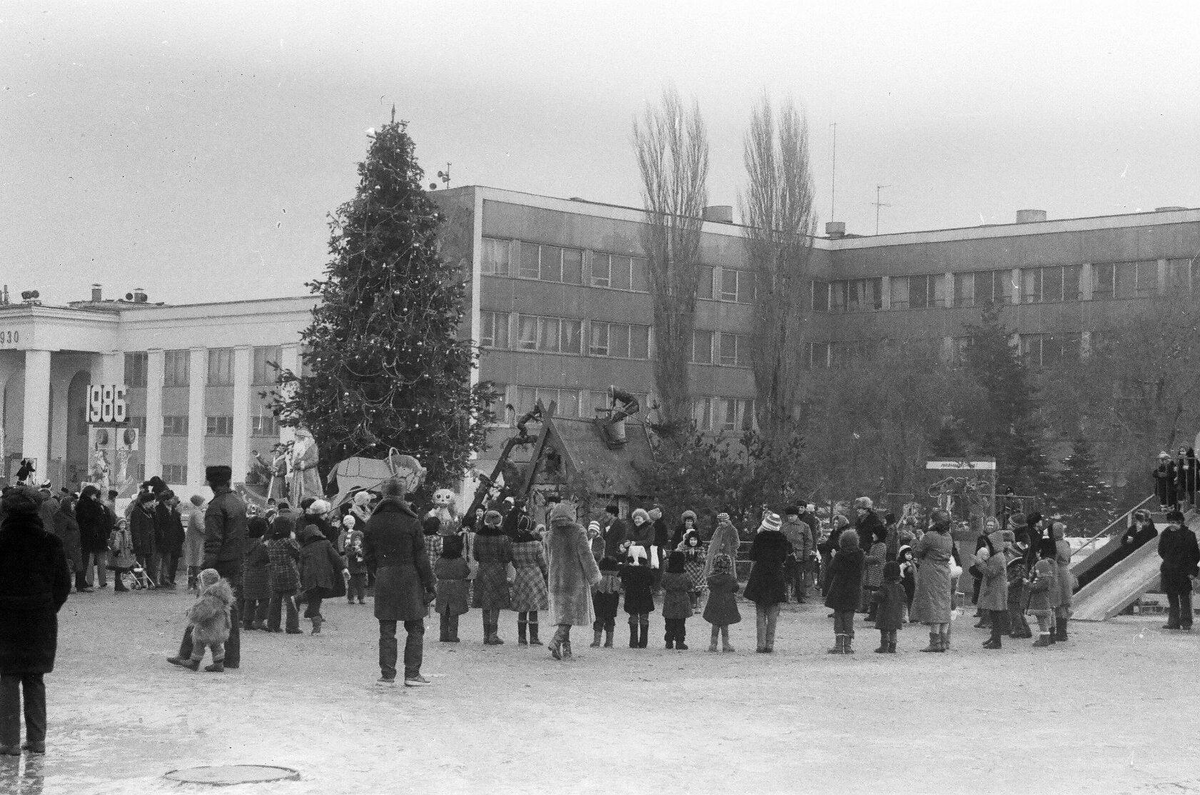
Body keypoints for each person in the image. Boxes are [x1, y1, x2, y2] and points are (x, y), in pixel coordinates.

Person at [0, 487, 71, 756]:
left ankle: (8, 743)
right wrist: (47, 608)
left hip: (4, 619)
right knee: (34, 678)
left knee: (7, 677)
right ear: (36, 509)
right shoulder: (51, 542)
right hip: (39, 619)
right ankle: (37, 740)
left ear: (6, 511)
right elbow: (63, 585)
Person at [168, 466, 248, 669]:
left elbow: (213, 541)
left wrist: (206, 568)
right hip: (235, 561)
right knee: (231, 611)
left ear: (212, 483)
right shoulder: (238, 502)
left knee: (201, 609)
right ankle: (231, 658)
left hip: (219, 564)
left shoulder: (216, 507)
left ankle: (187, 654)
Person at [363, 478, 435, 687]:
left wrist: (378, 572)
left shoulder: (373, 522)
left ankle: (387, 676)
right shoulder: (411, 521)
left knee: (387, 629)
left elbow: (367, 555)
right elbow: (421, 557)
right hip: (410, 577)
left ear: (383, 495)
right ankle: (412, 674)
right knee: (415, 627)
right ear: (403, 495)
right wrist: (430, 584)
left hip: (385, 577)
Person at [544, 501, 602, 661]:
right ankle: (556, 641)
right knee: (570, 614)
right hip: (574, 580)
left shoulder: (551, 533)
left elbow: (546, 557)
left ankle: (567, 648)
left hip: (556, 579)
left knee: (563, 614)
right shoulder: (578, 531)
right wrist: (594, 576)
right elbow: (586, 556)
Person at [743, 511, 791, 654]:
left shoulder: (760, 537)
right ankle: (770, 644)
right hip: (776, 575)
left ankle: (760, 644)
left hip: (760, 575)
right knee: (773, 612)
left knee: (760, 611)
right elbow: (784, 557)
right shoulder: (782, 538)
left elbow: (752, 555)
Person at [911, 510, 955, 653]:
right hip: (944, 572)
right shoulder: (949, 537)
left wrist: (916, 540)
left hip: (931, 571)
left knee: (934, 606)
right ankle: (944, 641)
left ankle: (934, 642)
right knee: (944, 605)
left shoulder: (930, 536)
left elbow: (918, 552)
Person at [178, 569, 234, 672]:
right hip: (220, 625)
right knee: (215, 645)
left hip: (209, 626)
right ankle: (218, 663)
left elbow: (202, 612)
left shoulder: (210, 597)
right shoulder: (221, 595)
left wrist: (191, 613)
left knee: (199, 642)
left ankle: (194, 662)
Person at [472, 509, 513, 645]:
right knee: (496, 604)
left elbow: (475, 555)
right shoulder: (503, 537)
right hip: (497, 571)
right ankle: (493, 635)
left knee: (485, 603)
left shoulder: (478, 536)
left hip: (483, 570)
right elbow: (507, 557)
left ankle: (485, 635)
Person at [298, 522, 347, 634]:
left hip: (309, 578)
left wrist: (299, 579)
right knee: (317, 598)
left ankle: (314, 619)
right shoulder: (326, 543)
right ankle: (315, 622)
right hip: (325, 577)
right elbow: (336, 557)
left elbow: (300, 566)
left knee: (314, 598)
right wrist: (344, 568)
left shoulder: (304, 549)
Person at [1156, 509, 1199, 631]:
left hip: (1184, 571)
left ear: (1180, 522)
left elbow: (1195, 554)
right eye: (1169, 522)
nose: (1171, 524)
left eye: (1174, 522)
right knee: (1172, 597)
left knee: (1185, 597)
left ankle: (1186, 622)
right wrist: (1169, 560)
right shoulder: (1165, 534)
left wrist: (1192, 571)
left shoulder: (1189, 535)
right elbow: (1161, 550)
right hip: (1169, 571)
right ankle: (1173, 622)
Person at [824, 529, 865, 654]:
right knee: (849, 618)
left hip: (839, 589)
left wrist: (833, 557)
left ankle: (838, 645)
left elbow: (832, 569)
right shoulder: (860, 555)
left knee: (839, 617)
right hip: (853, 589)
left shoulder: (839, 555)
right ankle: (847, 646)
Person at [510, 516, 549, 646]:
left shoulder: (514, 545)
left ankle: (521, 638)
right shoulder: (536, 544)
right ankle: (534, 638)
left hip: (521, 576)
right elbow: (542, 563)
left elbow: (514, 562)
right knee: (533, 608)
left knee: (522, 608)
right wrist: (545, 574)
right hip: (535, 576)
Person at [265, 506, 301, 634]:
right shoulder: (289, 542)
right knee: (291, 601)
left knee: (275, 601)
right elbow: (298, 553)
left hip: (275, 574)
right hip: (289, 573)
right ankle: (292, 626)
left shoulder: (271, 543)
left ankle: (272, 625)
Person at [75, 485, 111, 590]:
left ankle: (85, 582)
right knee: (86, 560)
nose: (95, 497)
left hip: (90, 535)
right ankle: (83, 583)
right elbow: (91, 519)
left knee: (88, 560)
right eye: (94, 494)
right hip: (89, 536)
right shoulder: (88, 504)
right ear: (91, 494)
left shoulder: (84, 503)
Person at [435, 535, 470, 643]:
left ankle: (443, 634)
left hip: (443, 587)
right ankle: (453, 634)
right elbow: (466, 572)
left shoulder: (440, 561)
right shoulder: (460, 561)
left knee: (443, 612)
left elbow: (436, 572)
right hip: (456, 587)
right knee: (454, 612)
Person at [703, 553, 740, 652]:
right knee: (724, 624)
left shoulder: (711, 578)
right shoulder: (730, 578)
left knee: (715, 623)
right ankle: (725, 644)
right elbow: (736, 588)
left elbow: (710, 587)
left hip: (714, 601)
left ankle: (713, 644)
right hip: (727, 601)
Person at [977, 535, 1009, 650]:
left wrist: (980, 563)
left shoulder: (997, 558)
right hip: (996, 588)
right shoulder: (997, 556)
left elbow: (991, 572)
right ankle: (994, 637)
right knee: (993, 614)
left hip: (996, 589)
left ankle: (997, 640)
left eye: (987, 544)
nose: (986, 547)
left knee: (996, 615)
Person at [619, 545, 654, 649]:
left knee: (633, 617)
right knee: (644, 618)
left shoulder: (627, 569)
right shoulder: (646, 570)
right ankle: (643, 642)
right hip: (645, 596)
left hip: (631, 596)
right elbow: (652, 581)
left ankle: (633, 641)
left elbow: (623, 581)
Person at [1027, 540, 1060, 647]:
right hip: (1054, 590)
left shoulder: (1043, 564)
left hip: (1047, 593)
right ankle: (1052, 636)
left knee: (1047, 616)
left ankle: (1047, 636)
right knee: (1051, 613)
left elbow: (1037, 579)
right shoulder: (1052, 562)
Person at [240, 517, 270, 631]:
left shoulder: (244, 544)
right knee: (265, 599)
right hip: (261, 574)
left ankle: (247, 621)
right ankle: (259, 620)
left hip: (247, 573)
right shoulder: (262, 546)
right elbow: (267, 558)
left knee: (249, 599)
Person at [52, 495, 86, 593]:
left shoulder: (72, 514)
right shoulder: (61, 515)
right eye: (71, 503)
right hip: (67, 545)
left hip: (74, 545)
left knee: (74, 565)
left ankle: (74, 585)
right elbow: (60, 532)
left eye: (74, 503)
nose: (73, 505)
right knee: (68, 566)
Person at [872, 560, 906, 653]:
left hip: (885, 612)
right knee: (893, 631)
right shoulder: (900, 587)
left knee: (884, 630)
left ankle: (884, 646)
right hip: (897, 612)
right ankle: (892, 646)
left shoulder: (884, 586)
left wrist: (874, 594)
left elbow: (880, 596)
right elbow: (904, 598)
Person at [661, 551, 692, 650]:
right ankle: (680, 641)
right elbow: (689, 585)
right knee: (680, 623)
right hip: (682, 599)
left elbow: (663, 584)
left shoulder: (666, 574)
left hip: (670, 599)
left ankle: (668, 641)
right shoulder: (685, 575)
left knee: (669, 622)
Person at [782, 506, 813, 603]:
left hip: (799, 556)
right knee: (786, 577)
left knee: (798, 577)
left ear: (796, 516)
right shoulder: (784, 527)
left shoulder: (804, 526)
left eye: (792, 516)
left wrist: (806, 556)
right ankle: (786, 595)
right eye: (788, 516)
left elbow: (808, 542)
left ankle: (800, 596)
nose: (790, 518)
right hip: (786, 556)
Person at [590, 556, 621, 648]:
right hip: (612, 604)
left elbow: (594, 590)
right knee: (610, 621)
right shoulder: (616, 579)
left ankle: (596, 641)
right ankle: (609, 642)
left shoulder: (599, 578)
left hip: (599, 603)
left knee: (599, 621)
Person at [130, 492, 158, 586]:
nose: (152, 504)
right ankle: (139, 581)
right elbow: (135, 529)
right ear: (145, 502)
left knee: (151, 564)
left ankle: (151, 582)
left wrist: (154, 513)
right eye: (151, 502)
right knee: (139, 564)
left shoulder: (150, 512)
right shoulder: (137, 511)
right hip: (141, 542)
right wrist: (137, 542)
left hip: (150, 542)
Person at [703, 512, 740, 580]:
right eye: (719, 521)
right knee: (713, 569)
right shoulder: (718, 529)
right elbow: (713, 539)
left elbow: (737, 543)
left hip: (728, 554)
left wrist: (730, 549)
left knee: (729, 571)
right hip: (715, 553)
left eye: (721, 521)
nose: (720, 523)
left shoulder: (732, 529)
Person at [862, 525, 887, 621]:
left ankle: (874, 614)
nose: (872, 535)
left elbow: (877, 558)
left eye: (874, 533)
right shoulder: (876, 545)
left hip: (877, 572)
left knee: (875, 592)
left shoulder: (881, 546)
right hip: (873, 571)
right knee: (872, 592)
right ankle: (872, 613)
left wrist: (865, 557)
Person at [678, 530, 707, 609]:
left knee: (698, 589)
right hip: (688, 570)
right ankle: (691, 603)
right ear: (688, 540)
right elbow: (681, 559)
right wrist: (688, 555)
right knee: (689, 588)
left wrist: (695, 555)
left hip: (698, 571)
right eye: (691, 540)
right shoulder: (685, 548)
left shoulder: (700, 548)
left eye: (694, 540)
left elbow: (703, 559)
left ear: (697, 540)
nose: (693, 542)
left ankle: (698, 604)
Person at [183, 495, 206, 591]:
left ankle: (191, 582)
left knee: (192, 562)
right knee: (197, 562)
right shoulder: (198, 514)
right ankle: (195, 583)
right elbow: (201, 527)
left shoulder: (193, 512)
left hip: (193, 540)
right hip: (197, 541)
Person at [107, 517, 136, 593]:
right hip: (119, 553)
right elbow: (113, 543)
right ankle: (118, 585)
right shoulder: (115, 533)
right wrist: (116, 550)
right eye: (121, 524)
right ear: (118, 525)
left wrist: (131, 548)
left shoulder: (126, 533)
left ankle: (119, 584)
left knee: (122, 568)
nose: (123, 526)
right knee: (118, 569)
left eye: (124, 524)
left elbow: (129, 542)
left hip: (125, 553)